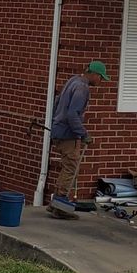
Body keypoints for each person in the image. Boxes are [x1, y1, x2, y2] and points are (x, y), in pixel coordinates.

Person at [46, 60, 110, 214]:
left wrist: (55, 121)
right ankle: (60, 207)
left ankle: (55, 203)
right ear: (94, 74)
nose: (100, 81)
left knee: (66, 167)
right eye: (101, 77)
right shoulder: (82, 88)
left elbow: (56, 101)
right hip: (68, 134)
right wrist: (83, 134)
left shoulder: (73, 80)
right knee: (70, 168)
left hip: (58, 130)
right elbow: (72, 114)